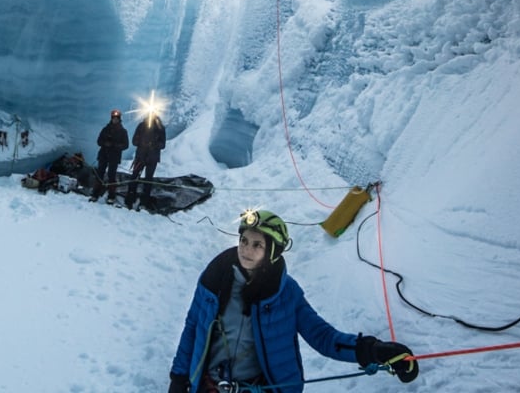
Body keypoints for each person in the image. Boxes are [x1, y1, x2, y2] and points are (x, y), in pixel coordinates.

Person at [168, 209, 419, 393]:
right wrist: (178, 378)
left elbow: (323, 337)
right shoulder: (214, 281)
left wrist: (372, 351)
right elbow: (192, 328)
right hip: (209, 386)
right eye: (244, 241)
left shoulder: (287, 294)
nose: (246, 249)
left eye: (257, 245)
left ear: (273, 252)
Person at [125, 112, 166, 210]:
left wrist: (153, 145)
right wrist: (142, 142)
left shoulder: (160, 128)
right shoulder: (141, 126)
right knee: (134, 177)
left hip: (151, 158)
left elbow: (163, 144)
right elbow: (134, 141)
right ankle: (130, 200)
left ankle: (143, 202)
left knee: (148, 179)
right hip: (141, 157)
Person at [90, 109, 129, 203]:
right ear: (111, 118)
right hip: (103, 154)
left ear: (119, 119)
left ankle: (111, 196)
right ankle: (95, 194)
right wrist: (105, 143)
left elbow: (126, 145)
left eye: (117, 118)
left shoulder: (123, 131)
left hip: (114, 156)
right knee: (100, 174)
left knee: (112, 175)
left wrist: (115, 146)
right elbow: (99, 141)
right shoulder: (105, 129)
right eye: (113, 118)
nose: (115, 120)